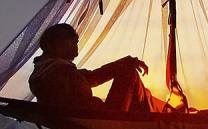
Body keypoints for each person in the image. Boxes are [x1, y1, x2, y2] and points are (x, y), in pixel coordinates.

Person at [29, 23, 163, 111]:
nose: (76, 46)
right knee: (129, 74)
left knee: (132, 77)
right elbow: (82, 90)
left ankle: (161, 109)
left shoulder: (48, 69)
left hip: (93, 120)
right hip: (101, 122)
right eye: (73, 41)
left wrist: (127, 61)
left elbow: (92, 77)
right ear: (57, 44)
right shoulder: (59, 71)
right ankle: (163, 113)